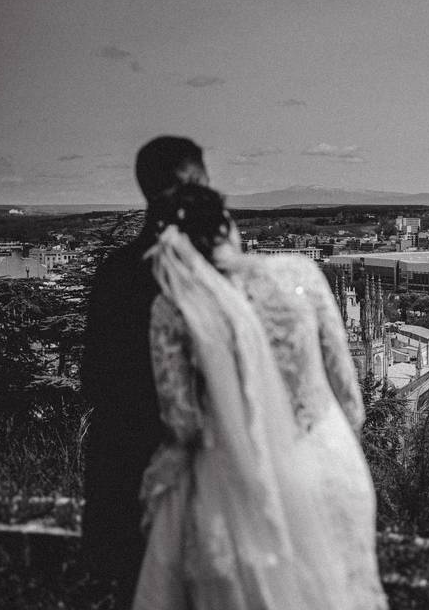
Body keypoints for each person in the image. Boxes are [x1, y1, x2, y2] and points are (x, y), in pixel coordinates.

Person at [131, 183, 387, 609]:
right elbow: (349, 396)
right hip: (327, 464)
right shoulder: (301, 274)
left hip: (235, 483)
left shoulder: (174, 306)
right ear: (229, 225)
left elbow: (182, 423)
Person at [82, 137, 210, 607]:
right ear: (194, 184)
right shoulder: (214, 279)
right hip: (196, 480)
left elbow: (92, 382)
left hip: (120, 472)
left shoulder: (114, 273)